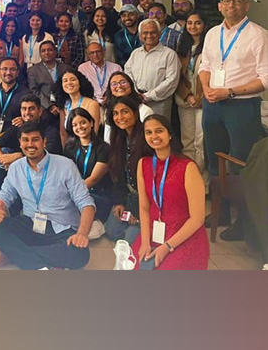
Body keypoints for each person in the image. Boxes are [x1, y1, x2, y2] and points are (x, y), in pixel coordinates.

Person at [198, 0, 268, 240]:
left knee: (241, 163)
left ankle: (245, 221)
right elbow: (205, 65)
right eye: (226, 1)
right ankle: (223, 212)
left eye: (237, 1)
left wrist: (229, 92)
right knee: (213, 158)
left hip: (242, 106)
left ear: (247, 6)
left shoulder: (258, 35)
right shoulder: (212, 33)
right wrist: (206, 87)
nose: (231, 5)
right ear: (219, 6)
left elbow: (266, 78)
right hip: (213, 104)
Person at [0, 121, 95, 270]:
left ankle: (17, 255)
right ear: (20, 143)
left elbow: (86, 203)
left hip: (61, 229)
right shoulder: (16, 167)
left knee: (80, 254)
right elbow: (4, 196)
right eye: (25, 140)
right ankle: (45, 262)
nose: (30, 144)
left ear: (44, 142)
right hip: (31, 224)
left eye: (35, 139)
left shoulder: (65, 165)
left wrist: (81, 234)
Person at [132, 115, 209, 270]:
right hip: (153, 233)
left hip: (184, 235)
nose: (154, 136)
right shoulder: (143, 164)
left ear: (170, 134)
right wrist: (145, 242)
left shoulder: (188, 167)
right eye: (148, 132)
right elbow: (144, 208)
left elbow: (197, 219)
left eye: (159, 131)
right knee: (132, 267)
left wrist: (167, 247)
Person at [0, 94, 61, 205]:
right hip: (18, 171)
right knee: (4, 151)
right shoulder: (16, 129)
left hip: (44, 172)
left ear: (40, 111)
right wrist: (2, 158)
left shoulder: (50, 131)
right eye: (24, 109)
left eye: (31, 109)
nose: (27, 113)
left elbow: (49, 151)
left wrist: (17, 157)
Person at [63, 108, 113, 238]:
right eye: (75, 125)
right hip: (77, 193)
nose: (79, 127)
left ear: (91, 123)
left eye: (83, 122)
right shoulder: (70, 147)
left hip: (98, 194)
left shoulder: (104, 148)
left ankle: (96, 223)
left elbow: (94, 179)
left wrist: (71, 195)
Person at [104, 96, 147, 244]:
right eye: (115, 113)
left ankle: (143, 225)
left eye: (125, 112)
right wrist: (119, 202)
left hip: (145, 199)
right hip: (128, 195)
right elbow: (117, 175)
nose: (120, 117)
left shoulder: (146, 136)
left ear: (135, 113)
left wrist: (137, 211)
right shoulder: (118, 137)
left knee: (130, 239)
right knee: (112, 230)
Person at [175, 11, 210, 191]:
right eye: (189, 23)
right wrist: (187, 96)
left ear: (204, 25)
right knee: (187, 141)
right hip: (185, 100)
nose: (193, 26)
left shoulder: (210, 47)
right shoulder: (181, 49)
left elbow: (213, 76)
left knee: (201, 142)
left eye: (197, 23)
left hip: (204, 100)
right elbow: (177, 77)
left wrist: (200, 97)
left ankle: (203, 184)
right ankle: (190, 182)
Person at [124, 18, 181, 120]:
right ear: (140, 35)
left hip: (159, 103)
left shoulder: (169, 54)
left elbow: (172, 80)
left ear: (159, 34)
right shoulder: (135, 53)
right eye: (145, 33)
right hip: (136, 101)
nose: (149, 36)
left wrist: (148, 96)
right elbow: (128, 73)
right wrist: (135, 93)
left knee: (159, 128)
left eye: (153, 32)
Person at [53, 68, 101, 147]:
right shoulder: (64, 105)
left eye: (73, 79)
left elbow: (94, 133)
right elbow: (63, 134)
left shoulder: (92, 104)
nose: (69, 83)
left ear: (80, 82)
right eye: (65, 81)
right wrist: (66, 151)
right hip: (71, 147)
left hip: (89, 147)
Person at [102, 71, 154, 142]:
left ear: (131, 85)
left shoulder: (144, 110)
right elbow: (108, 140)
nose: (119, 86)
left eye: (123, 82)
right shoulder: (109, 110)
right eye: (114, 84)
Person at [27, 40, 68, 116]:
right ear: (40, 54)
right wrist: (50, 106)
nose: (47, 53)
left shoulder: (65, 68)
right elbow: (34, 91)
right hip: (44, 107)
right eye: (43, 51)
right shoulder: (33, 71)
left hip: (65, 104)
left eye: (50, 50)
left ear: (55, 52)